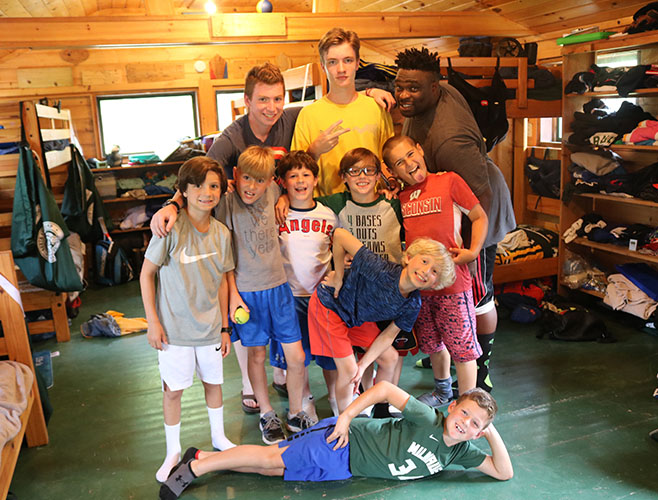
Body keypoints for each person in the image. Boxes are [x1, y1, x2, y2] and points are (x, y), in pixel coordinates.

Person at [150, 62, 394, 414]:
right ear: (247, 100)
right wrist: (173, 204)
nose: (271, 107)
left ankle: (291, 391)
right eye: (263, 99)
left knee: (290, 339)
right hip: (243, 255)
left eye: (278, 98)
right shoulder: (231, 138)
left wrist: (370, 91)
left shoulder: (292, 118)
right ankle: (253, 390)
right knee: (252, 337)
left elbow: (331, 104)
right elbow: (200, 174)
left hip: (277, 247)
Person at [394, 47, 516, 394]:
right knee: (441, 293)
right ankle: (448, 348)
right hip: (443, 203)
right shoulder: (427, 96)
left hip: (479, 210)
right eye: (400, 86)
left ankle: (482, 368)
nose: (404, 94)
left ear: (434, 88)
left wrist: (471, 250)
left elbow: (479, 200)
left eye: (413, 88)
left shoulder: (451, 141)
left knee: (478, 296)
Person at [159, 381, 513, 499]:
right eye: (463, 413)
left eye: (475, 423)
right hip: (345, 443)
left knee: (271, 470)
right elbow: (386, 389)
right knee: (271, 459)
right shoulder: (427, 418)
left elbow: (503, 472)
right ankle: (194, 467)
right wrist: (345, 416)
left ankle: (202, 454)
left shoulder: (462, 452)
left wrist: (490, 430)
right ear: (452, 408)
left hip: (344, 467)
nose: (465, 423)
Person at [139, 157, 236, 482]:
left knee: (214, 384)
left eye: (213, 186)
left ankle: (219, 438)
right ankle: (172, 452)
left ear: (221, 191)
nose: (206, 193)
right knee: (173, 392)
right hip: (173, 333)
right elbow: (146, 274)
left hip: (210, 330)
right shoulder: (168, 228)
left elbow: (223, 281)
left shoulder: (222, 234)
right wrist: (153, 321)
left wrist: (224, 327)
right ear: (182, 190)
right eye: (197, 185)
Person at [215, 145, 313, 445]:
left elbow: (292, 182)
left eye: (260, 180)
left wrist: (283, 195)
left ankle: (296, 411)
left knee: (295, 356)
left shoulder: (273, 194)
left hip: (280, 289)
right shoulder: (225, 205)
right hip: (247, 293)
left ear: (272, 181)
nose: (252, 187)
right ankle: (267, 413)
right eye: (246, 179)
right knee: (256, 355)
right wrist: (233, 296)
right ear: (236, 176)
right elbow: (224, 260)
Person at [383, 134, 489, 406]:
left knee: (463, 349)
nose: (408, 164)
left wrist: (473, 250)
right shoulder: (402, 197)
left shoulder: (449, 181)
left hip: (453, 284)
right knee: (432, 344)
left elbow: (479, 216)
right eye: (399, 163)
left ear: (419, 149)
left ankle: (466, 402)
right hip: (421, 287)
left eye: (410, 154)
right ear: (393, 172)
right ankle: (442, 391)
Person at [308, 228, 456, 413]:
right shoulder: (380, 270)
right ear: (409, 257)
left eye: (434, 271)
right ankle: (346, 424)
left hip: (355, 318)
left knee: (390, 357)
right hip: (331, 307)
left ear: (435, 284)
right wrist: (338, 274)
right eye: (424, 261)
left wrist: (363, 365)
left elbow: (387, 337)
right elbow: (339, 235)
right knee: (348, 372)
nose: (426, 271)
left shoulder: (412, 303)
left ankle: (377, 407)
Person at [316, 147, 410, 417]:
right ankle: (363, 398)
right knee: (364, 351)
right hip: (356, 296)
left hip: (390, 290)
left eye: (369, 170)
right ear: (343, 176)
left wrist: (394, 187)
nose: (362, 176)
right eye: (354, 171)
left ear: (379, 175)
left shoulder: (393, 204)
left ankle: (385, 400)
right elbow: (302, 198)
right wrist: (282, 201)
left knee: (393, 351)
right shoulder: (335, 203)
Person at [274, 150, 339, 418]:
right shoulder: (278, 215)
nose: (300, 181)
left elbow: (335, 255)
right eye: (293, 176)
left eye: (305, 175)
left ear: (315, 179)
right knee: (297, 358)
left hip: (320, 297)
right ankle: (304, 399)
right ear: (284, 182)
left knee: (329, 355)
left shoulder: (328, 216)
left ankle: (337, 397)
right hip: (289, 297)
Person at [291, 27, 394, 196]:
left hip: (371, 208)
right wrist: (313, 151)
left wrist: (391, 183)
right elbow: (294, 172)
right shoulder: (308, 115)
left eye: (347, 60)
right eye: (332, 62)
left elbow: (388, 160)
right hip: (326, 210)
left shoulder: (376, 108)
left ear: (357, 63)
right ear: (323, 67)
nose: (341, 69)